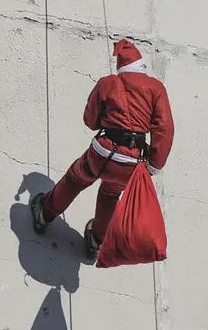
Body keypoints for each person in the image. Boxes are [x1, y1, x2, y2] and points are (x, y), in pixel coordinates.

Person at [30, 38, 175, 258]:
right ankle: (97, 241)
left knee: (75, 179)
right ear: (141, 67)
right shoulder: (156, 89)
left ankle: (44, 213)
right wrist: (154, 166)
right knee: (110, 193)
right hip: (132, 162)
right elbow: (165, 129)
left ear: (121, 67)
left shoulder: (108, 83)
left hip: (104, 152)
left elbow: (91, 120)